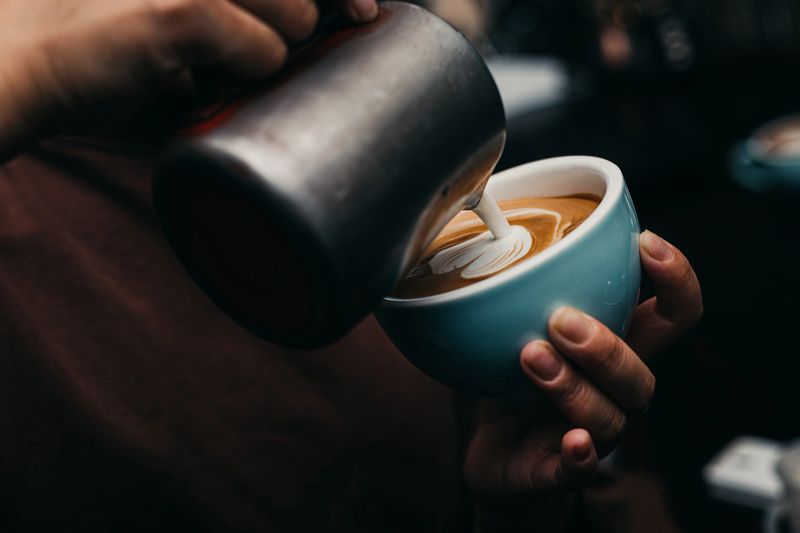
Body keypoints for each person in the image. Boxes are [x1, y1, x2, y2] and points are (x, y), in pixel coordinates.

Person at [0, 0, 703, 531]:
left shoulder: (385, 126)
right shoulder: (28, 145)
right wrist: (26, 70)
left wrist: (523, 506)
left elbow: (590, 491)